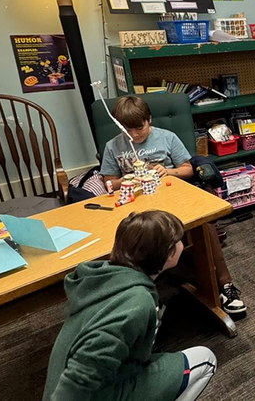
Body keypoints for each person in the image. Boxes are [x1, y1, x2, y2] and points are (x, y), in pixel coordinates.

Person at [42, 210, 217, 401]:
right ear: (167, 254)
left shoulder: (103, 276)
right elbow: (83, 372)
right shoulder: (136, 303)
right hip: (90, 393)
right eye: (179, 239)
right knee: (207, 360)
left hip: (80, 380)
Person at [100, 96, 246, 317]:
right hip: (137, 205)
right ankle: (141, 300)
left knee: (204, 223)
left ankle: (225, 286)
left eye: (140, 128)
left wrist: (167, 171)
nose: (135, 135)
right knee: (129, 237)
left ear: (149, 120)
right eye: (128, 130)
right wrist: (128, 179)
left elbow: (188, 168)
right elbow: (109, 183)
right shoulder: (113, 146)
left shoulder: (167, 138)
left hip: (173, 196)